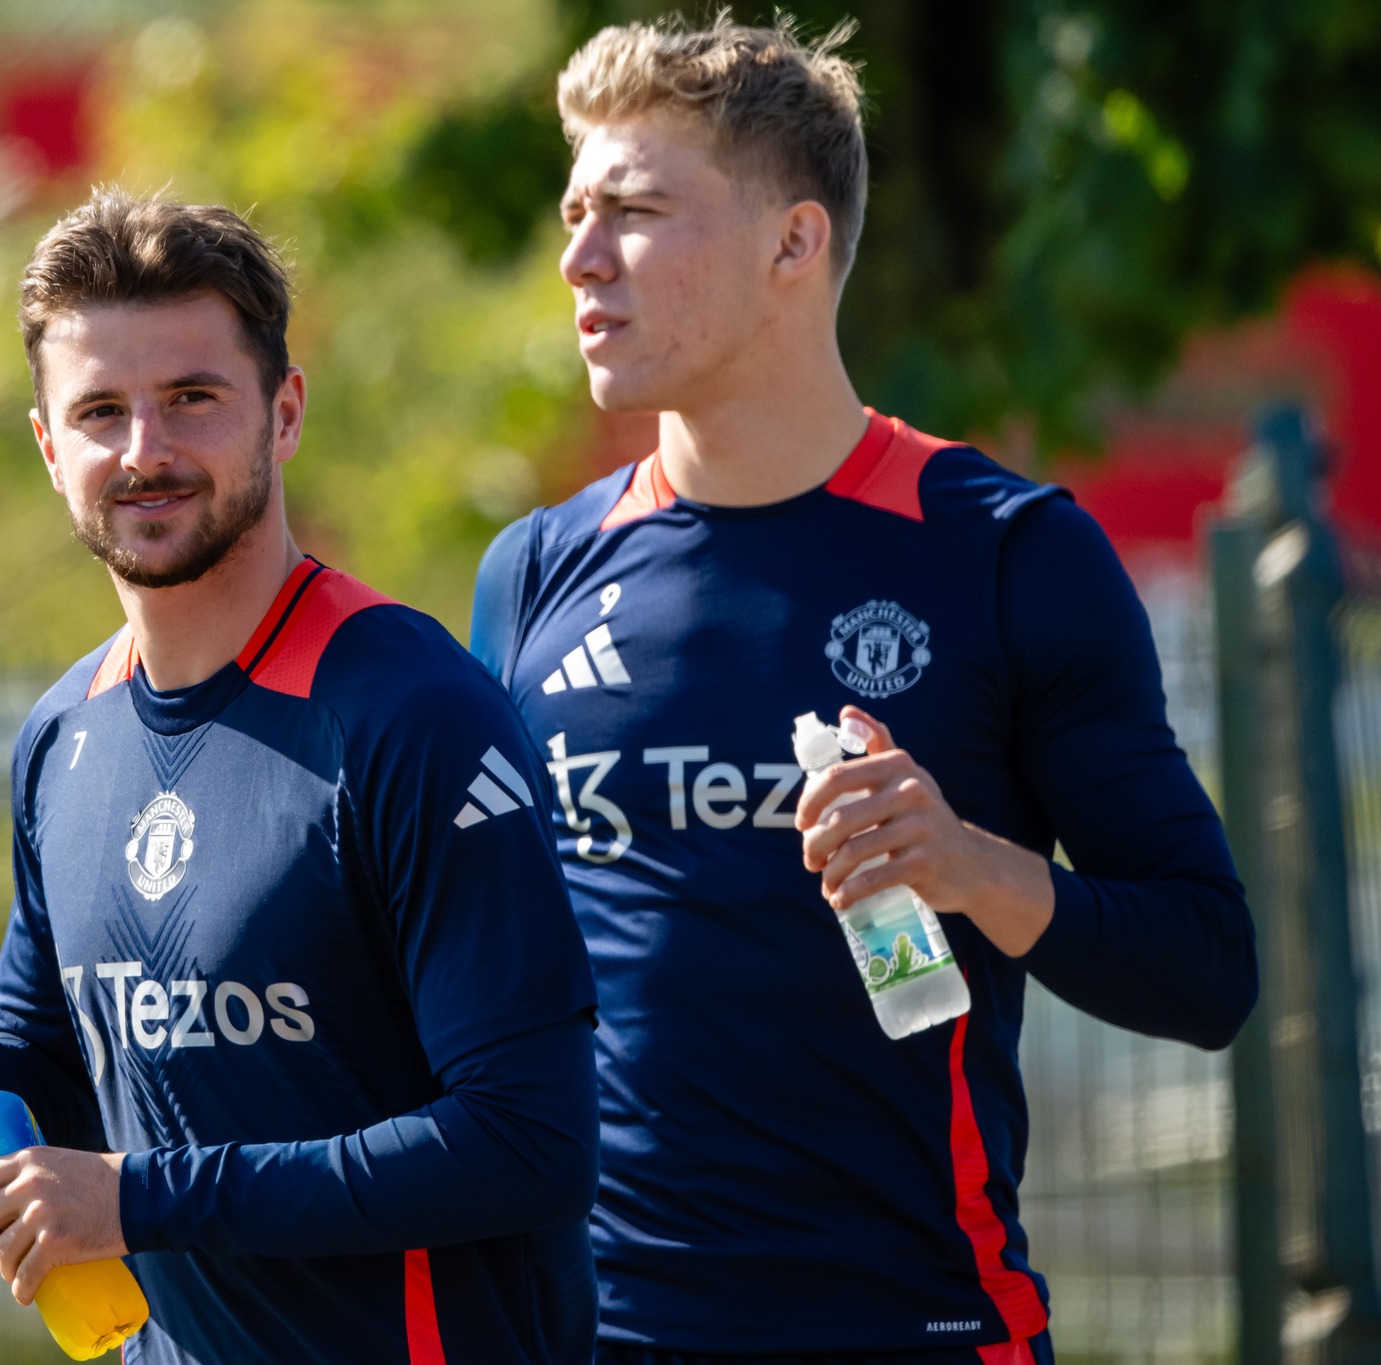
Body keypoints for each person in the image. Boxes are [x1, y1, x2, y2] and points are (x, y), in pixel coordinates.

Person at [469, 17, 1258, 1364]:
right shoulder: (533, 573)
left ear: (795, 242)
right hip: (589, 1335)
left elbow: (1208, 968)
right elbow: (472, 986)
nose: (579, 257)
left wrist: (969, 868)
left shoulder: (1005, 550)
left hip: (915, 1329)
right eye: (574, 214)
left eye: (637, 211)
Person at [0, 189, 600, 1365]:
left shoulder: (412, 712)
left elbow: (529, 1143)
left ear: (284, 411)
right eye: (100, 411)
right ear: (51, 450)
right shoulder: (62, 736)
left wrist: (141, 1201)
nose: (145, 451)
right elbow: (53, 1076)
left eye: (191, 399)